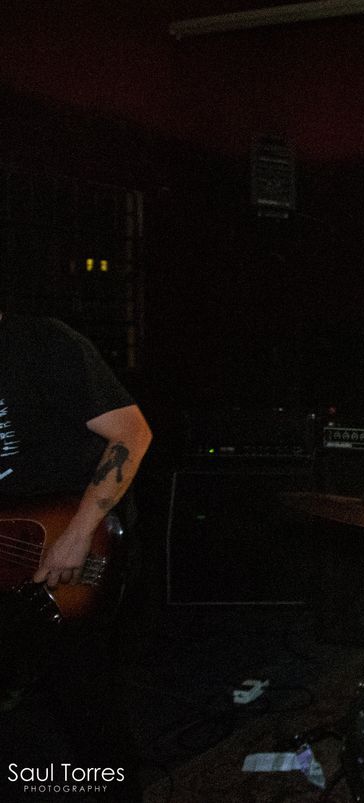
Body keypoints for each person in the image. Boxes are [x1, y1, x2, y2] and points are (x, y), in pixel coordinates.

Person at [0, 312, 153, 801]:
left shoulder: (42, 343)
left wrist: (77, 534)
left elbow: (132, 433)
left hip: (68, 543)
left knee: (83, 700)